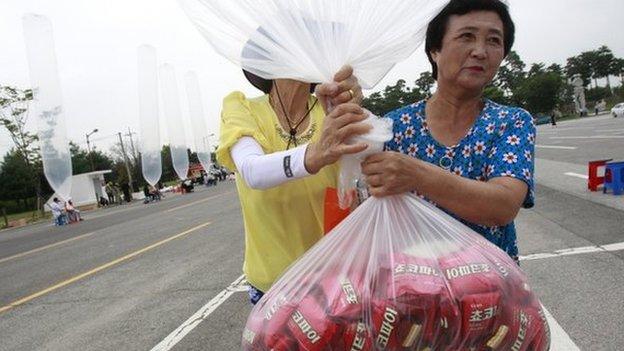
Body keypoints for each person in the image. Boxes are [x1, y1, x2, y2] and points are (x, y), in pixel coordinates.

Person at [357, 0, 534, 263]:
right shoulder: (394, 127)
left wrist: (415, 173)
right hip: (413, 289)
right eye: (466, 36)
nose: (480, 51)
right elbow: (363, 197)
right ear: (435, 51)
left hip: (489, 292)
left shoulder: (511, 122)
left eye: (494, 41)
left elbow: (503, 205)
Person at [216, 65, 368, 304]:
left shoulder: (329, 108)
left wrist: (354, 112)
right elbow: (252, 171)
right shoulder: (242, 108)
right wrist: (314, 154)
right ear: (268, 58)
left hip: (335, 276)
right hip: (273, 284)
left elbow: (364, 167)